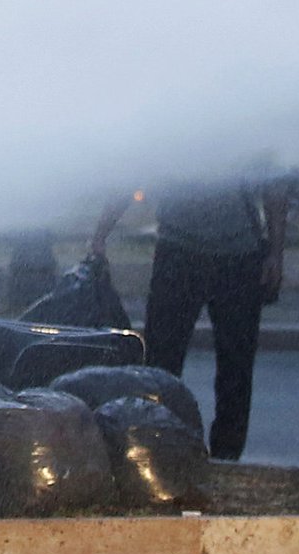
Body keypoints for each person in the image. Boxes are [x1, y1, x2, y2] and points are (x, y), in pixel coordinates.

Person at [89, 170, 288, 462]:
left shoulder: (246, 127)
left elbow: (274, 182)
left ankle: (224, 458)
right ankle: (160, 450)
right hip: (184, 249)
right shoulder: (180, 127)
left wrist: (276, 252)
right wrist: (100, 234)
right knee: (161, 367)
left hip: (233, 253)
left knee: (234, 369)